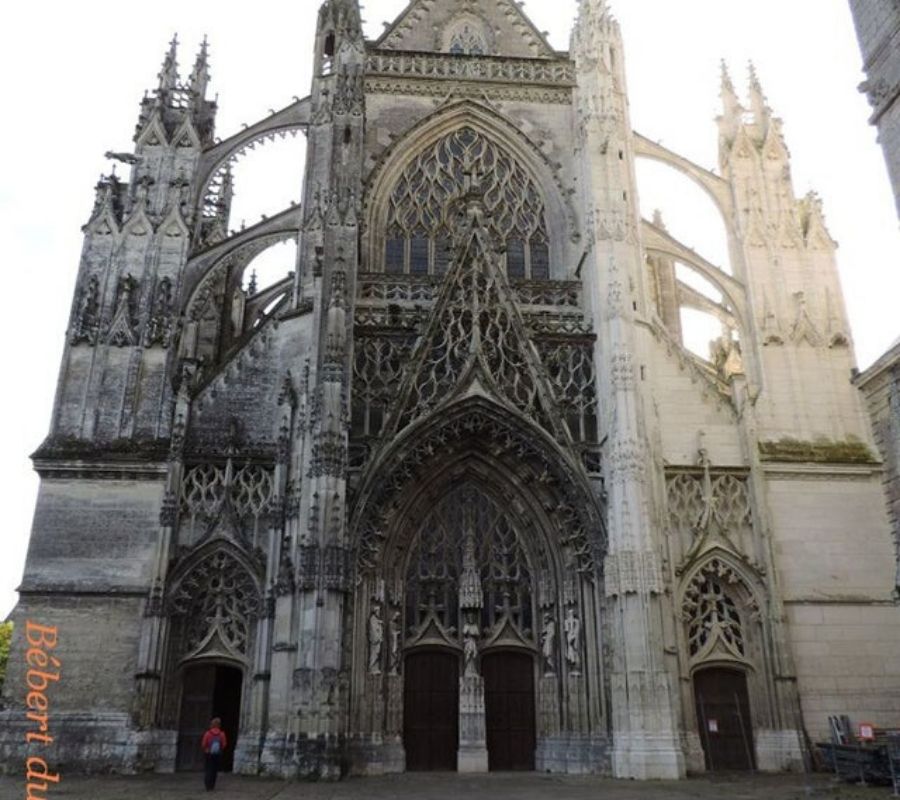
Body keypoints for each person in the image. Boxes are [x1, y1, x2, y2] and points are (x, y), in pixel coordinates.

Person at [201, 717, 228, 791]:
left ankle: (207, 785)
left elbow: (203, 744)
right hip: (217, 754)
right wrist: (219, 749)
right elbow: (224, 744)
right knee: (214, 770)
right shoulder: (221, 734)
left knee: (208, 769)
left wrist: (207, 748)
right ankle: (212, 785)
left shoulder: (208, 733)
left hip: (208, 753)